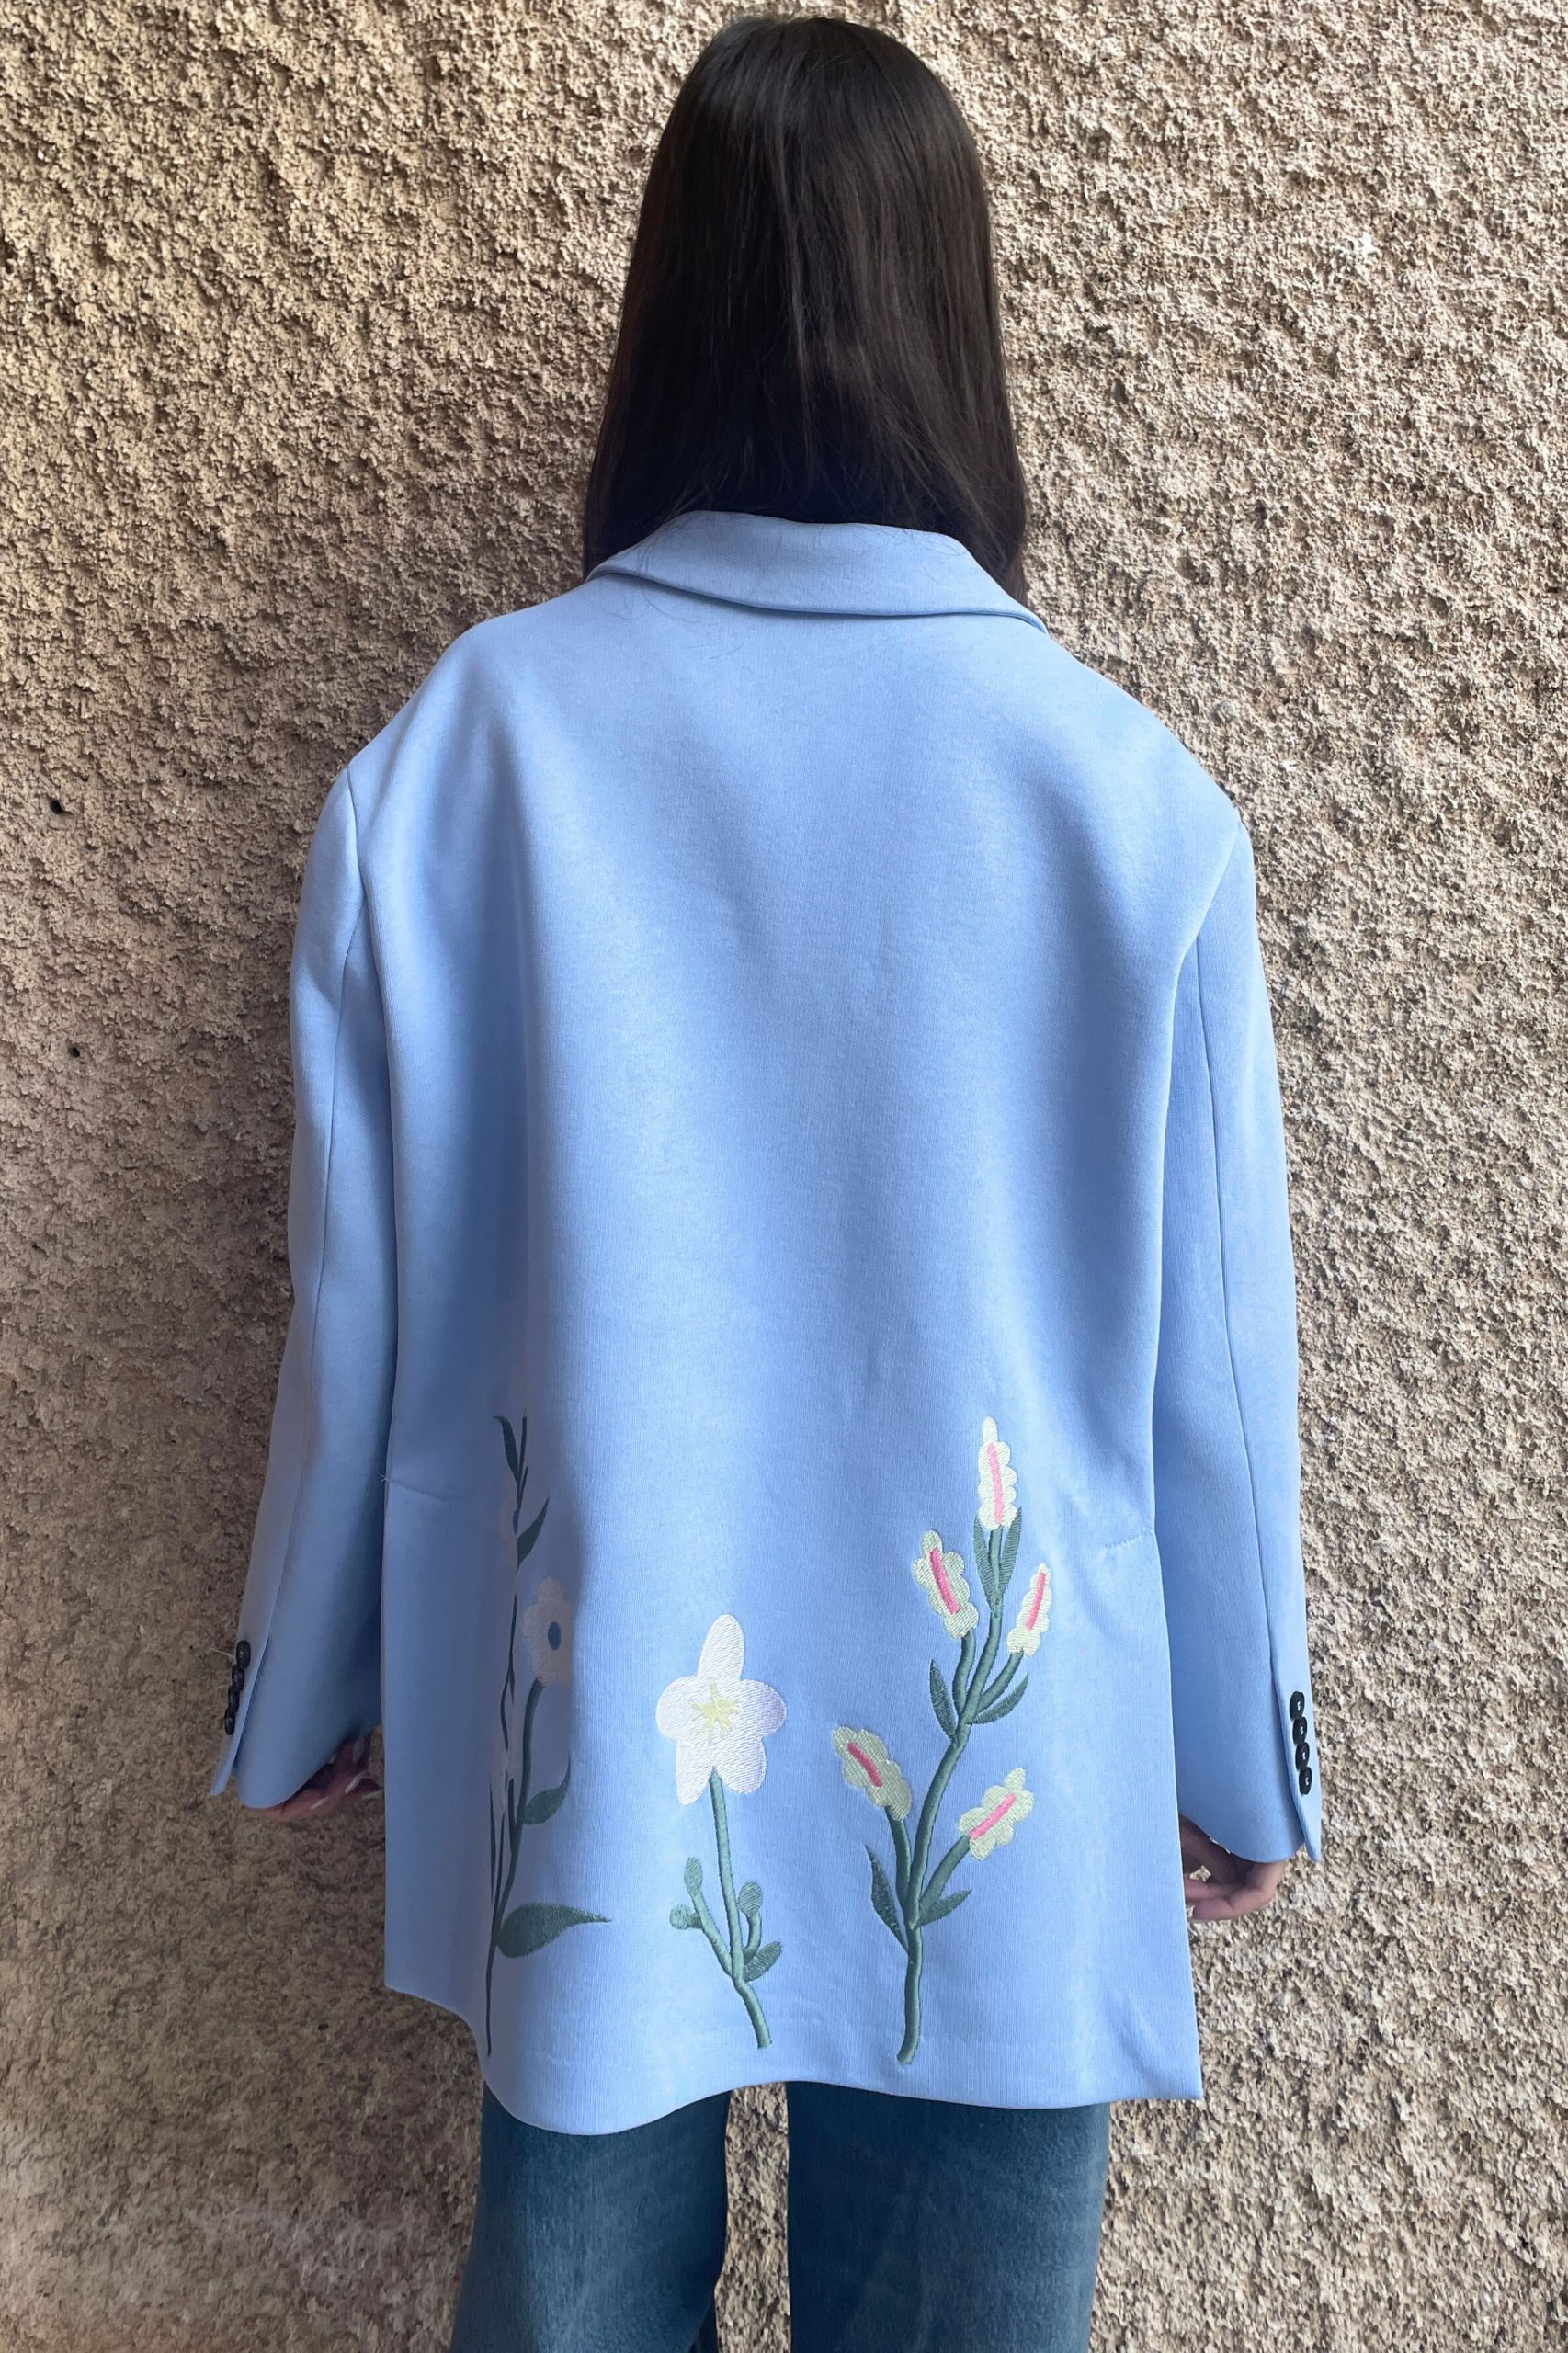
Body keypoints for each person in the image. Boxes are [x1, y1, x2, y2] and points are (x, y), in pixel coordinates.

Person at [207, 16, 1322, 2350]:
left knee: (574, 2294)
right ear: (956, 325)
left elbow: (356, 1287)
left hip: (607, 1691)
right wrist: (1238, 1745)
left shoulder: (470, 752)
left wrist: (303, 1675)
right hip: (1003, 1733)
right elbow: (1214, 1357)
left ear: (671, 314)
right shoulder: (1122, 799)